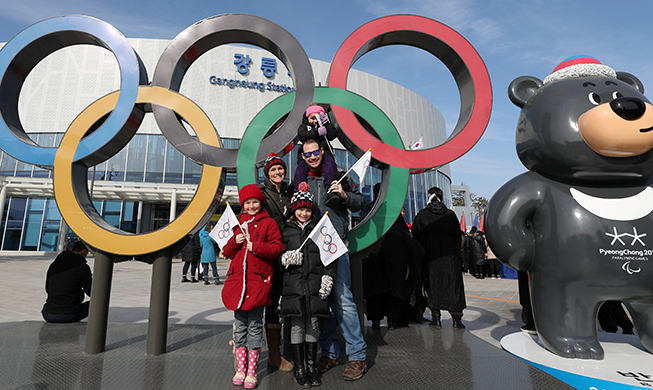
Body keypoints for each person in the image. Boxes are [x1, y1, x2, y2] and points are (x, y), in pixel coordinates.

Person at [298, 138, 368, 381]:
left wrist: (345, 195)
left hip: (335, 247)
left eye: (315, 152)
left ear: (322, 151)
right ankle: (329, 352)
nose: (312, 157)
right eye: (307, 154)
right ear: (303, 157)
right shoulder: (300, 181)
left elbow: (361, 202)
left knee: (343, 301)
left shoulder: (340, 175)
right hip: (311, 250)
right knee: (321, 304)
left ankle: (357, 356)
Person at [222, 184, 285, 388]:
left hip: (257, 284)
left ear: (261, 202)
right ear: (243, 205)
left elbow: (277, 248)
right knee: (239, 328)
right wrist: (235, 241)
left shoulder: (269, 224)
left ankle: (252, 371)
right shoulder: (237, 224)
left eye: (255, 202)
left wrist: (255, 246)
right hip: (238, 285)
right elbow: (228, 252)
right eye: (247, 203)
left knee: (255, 328)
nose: (251, 206)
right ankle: (240, 369)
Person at [280, 183, 337, 387]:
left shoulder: (320, 229)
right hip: (293, 287)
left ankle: (312, 366)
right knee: (296, 326)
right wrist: (285, 258)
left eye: (307, 209)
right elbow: (278, 255)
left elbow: (330, 257)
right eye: (300, 208)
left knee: (312, 326)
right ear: (294, 209)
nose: (303, 213)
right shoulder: (286, 229)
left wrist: (328, 277)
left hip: (314, 286)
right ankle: (300, 367)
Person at [412, 187, 467, 329]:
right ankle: (457, 320)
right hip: (451, 257)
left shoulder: (423, 214)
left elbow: (416, 233)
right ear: (442, 197)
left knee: (432, 285)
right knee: (453, 286)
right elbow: (457, 236)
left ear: (429, 196)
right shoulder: (450, 215)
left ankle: (436, 318)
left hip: (431, 257)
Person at [259, 152, 294, 372]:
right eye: (273, 170)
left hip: (289, 253)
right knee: (269, 301)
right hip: (270, 253)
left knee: (284, 298)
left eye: (280, 168)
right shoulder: (262, 194)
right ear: (267, 173)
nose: (278, 172)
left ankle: (282, 348)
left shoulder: (290, 192)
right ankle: (273, 353)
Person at [293, 104, 341, 207]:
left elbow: (333, 135)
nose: (315, 121)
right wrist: (316, 132)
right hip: (307, 154)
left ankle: (330, 189)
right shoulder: (304, 126)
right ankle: (298, 191)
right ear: (307, 118)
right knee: (300, 171)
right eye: (312, 118)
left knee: (330, 166)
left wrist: (326, 124)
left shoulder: (324, 125)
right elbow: (302, 135)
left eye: (318, 117)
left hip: (325, 151)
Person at [41, 241, 92, 323]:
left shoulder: (54, 265)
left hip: (47, 313)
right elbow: (91, 292)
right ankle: (96, 333)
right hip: (68, 314)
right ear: (83, 251)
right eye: (87, 252)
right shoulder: (82, 267)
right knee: (98, 303)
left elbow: (48, 289)